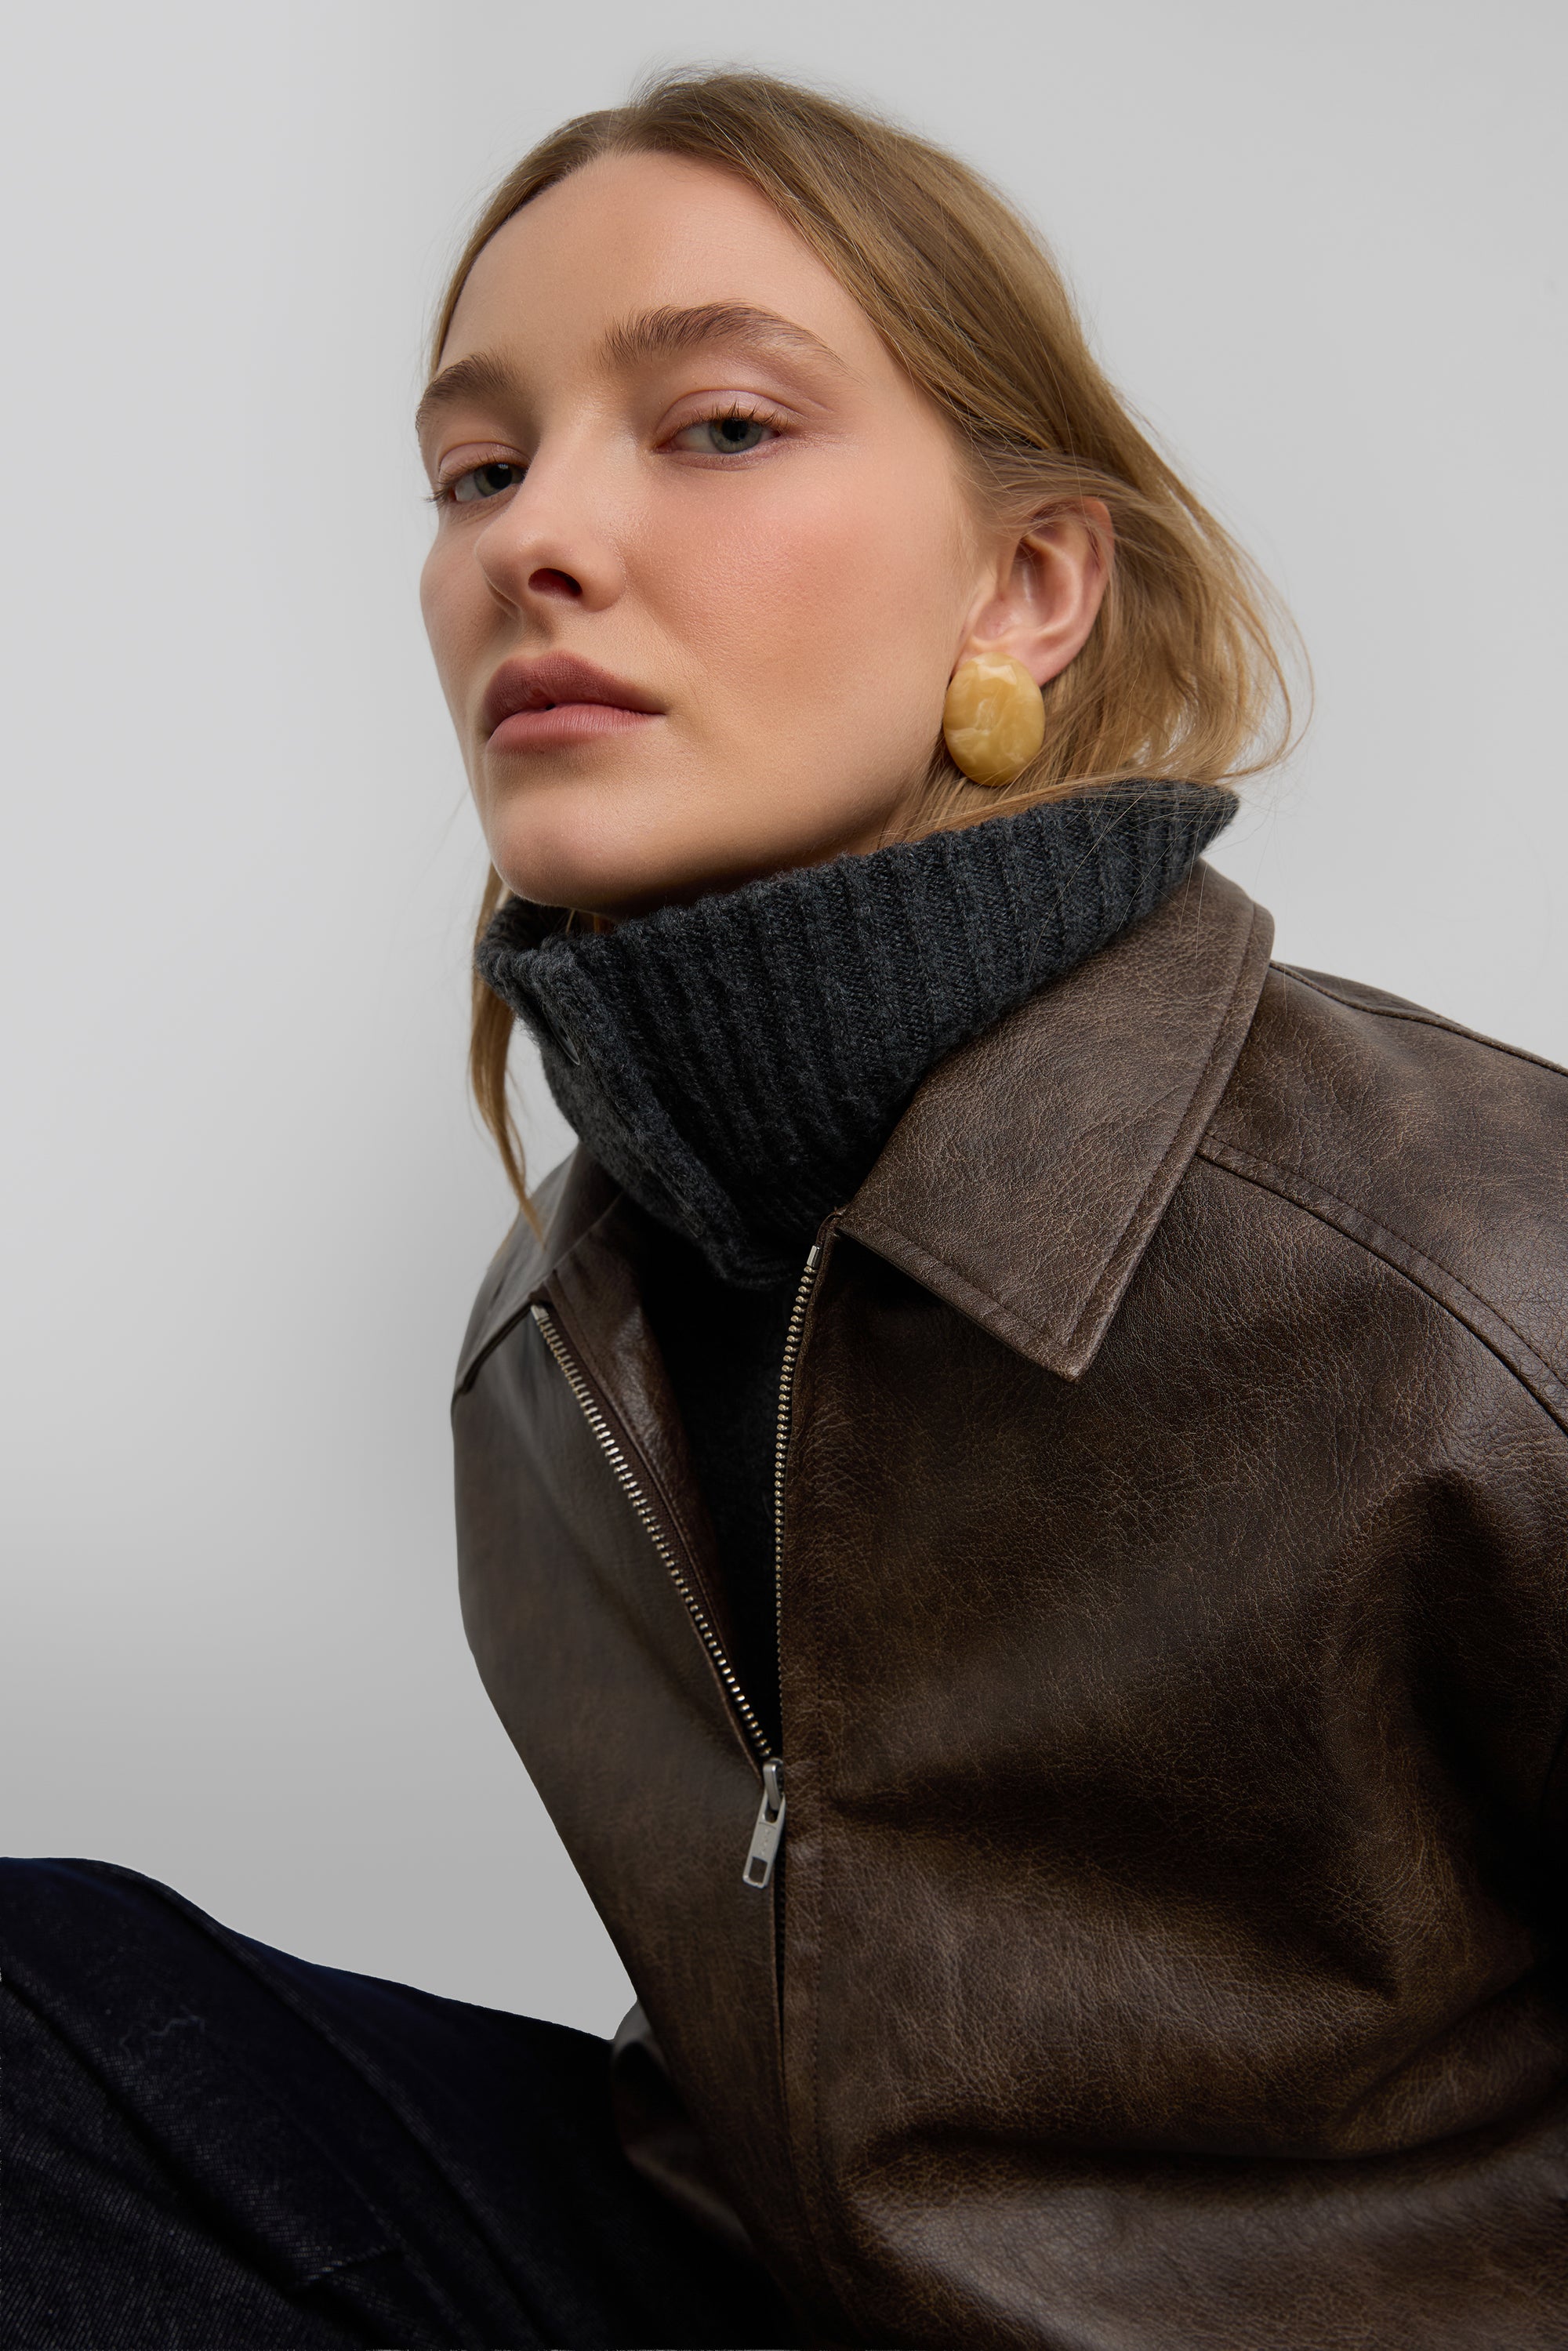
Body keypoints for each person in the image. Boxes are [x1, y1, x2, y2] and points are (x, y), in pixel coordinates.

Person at [6, 65, 1567, 2351]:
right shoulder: (559, 1345)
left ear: (1029, 586)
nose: (537, 539)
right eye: (478, 468)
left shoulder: (1476, 1267)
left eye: (721, 427)